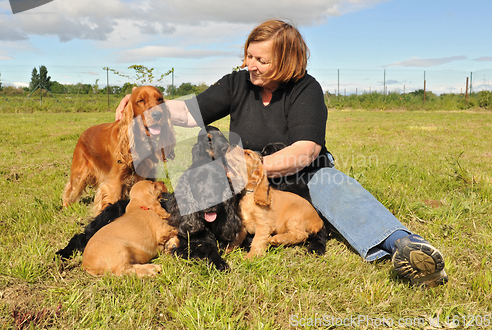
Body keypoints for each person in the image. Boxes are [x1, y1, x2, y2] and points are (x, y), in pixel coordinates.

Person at [116, 19, 448, 287]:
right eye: (248, 56)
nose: (251, 65)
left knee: (332, 183)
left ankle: (402, 245)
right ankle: (164, 229)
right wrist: (139, 102)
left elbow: (306, 150)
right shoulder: (237, 83)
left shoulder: (306, 89)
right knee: (208, 141)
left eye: (261, 60)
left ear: (287, 61)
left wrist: (251, 170)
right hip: (243, 177)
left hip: (299, 176)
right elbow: (188, 113)